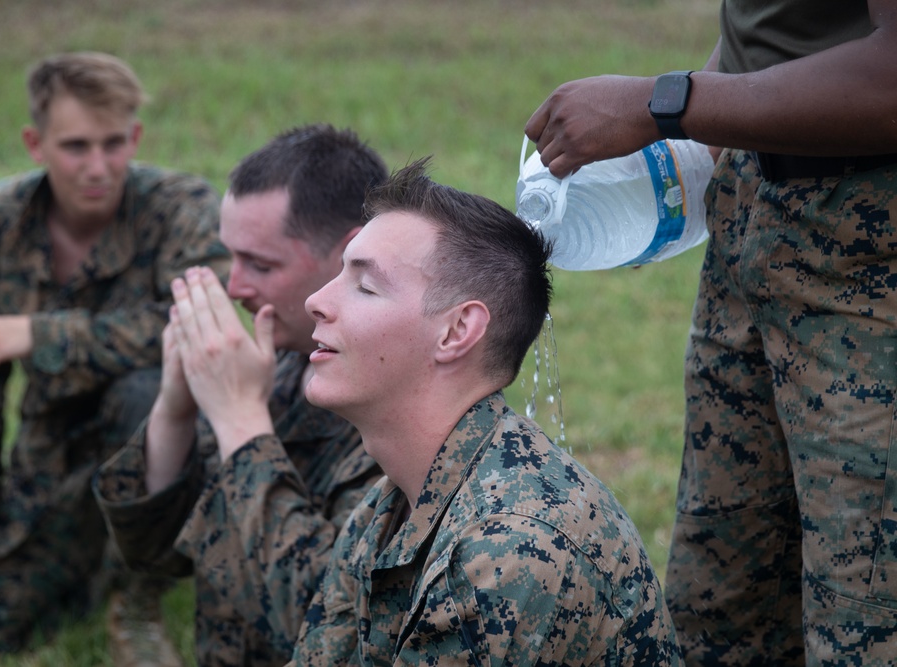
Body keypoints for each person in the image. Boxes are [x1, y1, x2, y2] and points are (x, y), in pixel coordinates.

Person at [524, 3, 897, 665]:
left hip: (869, 276)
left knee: (865, 625)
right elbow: (781, 24)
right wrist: (697, 134)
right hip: (752, 236)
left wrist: (667, 102)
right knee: (720, 614)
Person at [275, 158, 679, 664]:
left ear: (456, 331)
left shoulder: (512, 544)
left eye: (365, 286)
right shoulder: (389, 506)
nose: (316, 301)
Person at [0, 51, 229, 666]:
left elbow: (193, 323)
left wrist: (42, 334)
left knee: (148, 393)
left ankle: (138, 594)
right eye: (76, 146)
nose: (98, 167)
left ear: (135, 137)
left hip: (161, 445)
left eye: (114, 144)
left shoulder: (180, 207)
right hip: (52, 453)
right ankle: (88, 567)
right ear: (36, 144)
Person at [93, 124, 388, 666]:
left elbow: (328, 628)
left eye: (262, 264)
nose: (235, 288)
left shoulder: (402, 408)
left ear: (352, 254)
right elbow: (156, 553)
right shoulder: (276, 364)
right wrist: (175, 408)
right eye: (233, 259)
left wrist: (239, 421)